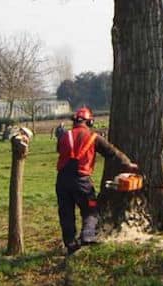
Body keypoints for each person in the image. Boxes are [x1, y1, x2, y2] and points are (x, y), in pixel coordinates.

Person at [56, 106, 137, 255]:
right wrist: (127, 163)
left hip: (62, 180)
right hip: (81, 180)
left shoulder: (64, 136)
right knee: (90, 208)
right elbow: (112, 152)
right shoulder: (94, 137)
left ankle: (70, 244)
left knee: (66, 212)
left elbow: (60, 149)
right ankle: (87, 235)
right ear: (90, 122)